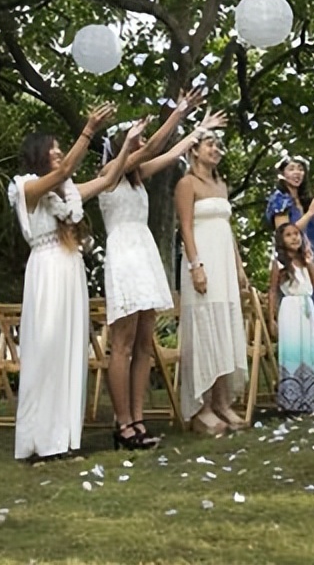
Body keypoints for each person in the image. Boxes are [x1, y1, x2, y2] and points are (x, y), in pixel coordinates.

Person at [7, 108, 144, 462]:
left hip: (70, 271)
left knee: (70, 354)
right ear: (38, 155)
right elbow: (67, 168)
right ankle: (40, 442)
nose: (58, 152)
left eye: (59, 147)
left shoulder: (67, 192)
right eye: (52, 148)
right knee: (48, 353)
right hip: (46, 271)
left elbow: (108, 180)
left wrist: (126, 146)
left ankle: (63, 441)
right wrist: (89, 129)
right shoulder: (27, 188)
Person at [98, 89, 227, 450]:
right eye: (135, 140)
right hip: (124, 255)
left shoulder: (137, 176)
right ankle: (122, 423)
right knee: (122, 344)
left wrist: (198, 129)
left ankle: (138, 419)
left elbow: (170, 154)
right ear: (121, 146)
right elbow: (155, 146)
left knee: (144, 344)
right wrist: (179, 110)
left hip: (145, 253)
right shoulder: (108, 173)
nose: (142, 144)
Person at [175, 129, 250, 436]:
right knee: (205, 329)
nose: (216, 149)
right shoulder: (187, 184)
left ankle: (222, 401)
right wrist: (196, 267)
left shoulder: (221, 185)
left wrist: (239, 267)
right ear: (194, 150)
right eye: (210, 144)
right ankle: (202, 407)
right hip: (202, 262)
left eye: (219, 145)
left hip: (224, 265)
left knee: (224, 329)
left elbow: (227, 229)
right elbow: (185, 228)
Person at [268, 222, 314, 413]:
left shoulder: (307, 260)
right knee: (293, 349)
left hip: (307, 307)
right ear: (281, 240)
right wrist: (271, 318)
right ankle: (292, 399)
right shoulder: (279, 263)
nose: (294, 237)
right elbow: (272, 291)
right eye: (288, 235)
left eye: (297, 234)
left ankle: (312, 397)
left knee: (310, 348)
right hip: (290, 308)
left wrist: (310, 263)